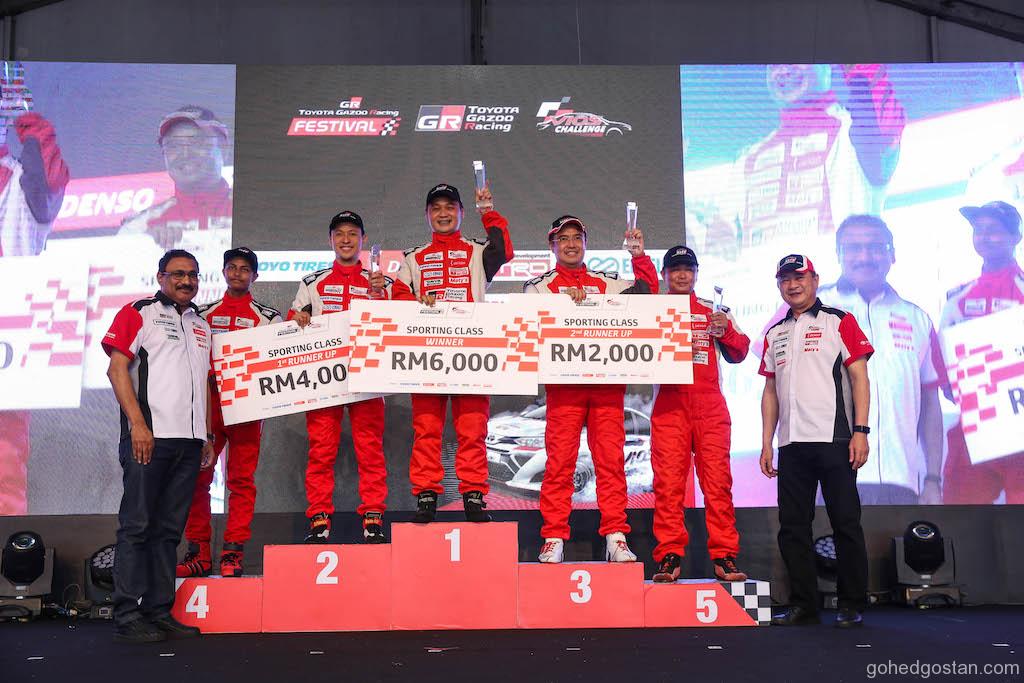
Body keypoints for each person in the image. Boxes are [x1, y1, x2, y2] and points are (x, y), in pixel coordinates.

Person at [523, 215, 657, 563]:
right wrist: (564, 305)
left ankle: (616, 536)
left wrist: (639, 257)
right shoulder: (538, 287)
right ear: (552, 246)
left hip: (606, 388)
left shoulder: (607, 282)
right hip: (564, 389)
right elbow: (527, 325)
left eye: (576, 238)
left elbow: (648, 295)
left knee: (610, 463)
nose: (570, 244)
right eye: (563, 239)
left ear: (585, 242)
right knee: (559, 464)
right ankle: (553, 537)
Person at [102, 249, 215, 643]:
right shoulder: (139, 312)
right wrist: (137, 425)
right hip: (149, 438)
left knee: (168, 532)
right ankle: (127, 614)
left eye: (193, 275)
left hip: (189, 443)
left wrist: (206, 435)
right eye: (178, 274)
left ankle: (158, 610)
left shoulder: (201, 325)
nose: (186, 281)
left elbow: (202, 383)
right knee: (137, 526)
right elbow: (116, 369)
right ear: (161, 277)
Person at [759, 254, 873, 628]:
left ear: (815, 279)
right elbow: (770, 391)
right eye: (785, 279)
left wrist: (861, 431)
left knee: (845, 523)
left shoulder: (839, 320)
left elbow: (860, 378)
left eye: (799, 277)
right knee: (793, 527)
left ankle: (851, 603)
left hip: (835, 438)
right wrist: (767, 442)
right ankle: (804, 605)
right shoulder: (774, 333)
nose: (792, 285)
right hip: (792, 444)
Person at [394, 183, 513, 523]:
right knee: (426, 429)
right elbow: (398, 296)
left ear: (461, 212)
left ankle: (473, 494)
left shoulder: (478, 252)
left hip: (471, 352)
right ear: (427, 215)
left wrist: (488, 212)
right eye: (436, 208)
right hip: (427, 353)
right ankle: (426, 495)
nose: (443, 213)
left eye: (450, 207)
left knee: (472, 428)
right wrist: (416, 301)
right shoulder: (413, 258)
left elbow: (504, 250)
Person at [702, 64, 905, 258]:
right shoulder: (750, 158)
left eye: (794, 60)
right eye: (774, 65)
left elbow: (883, 129)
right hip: (767, 281)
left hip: (834, 279)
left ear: (825, 67)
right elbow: (720, 228)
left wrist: (860, 71)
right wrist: (720, 237)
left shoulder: (852, 132)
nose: (783, 70)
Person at [289, 211, 400, 543]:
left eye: (353, 233)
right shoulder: (312, 282)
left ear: (363, 239)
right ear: (330, 240)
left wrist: (384, 296)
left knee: (370, 449)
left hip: (369, 375)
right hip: (325, 377)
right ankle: (319, 520)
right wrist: (298, 319)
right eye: (340, 234)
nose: (346, 239)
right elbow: (293, 320)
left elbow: (401, 322)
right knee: (321, 451)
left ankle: (373, 517)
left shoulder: (381, 282)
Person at [818, 215, 945, 504]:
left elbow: (931, 404)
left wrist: (932, 479)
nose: (865, 257)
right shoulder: (810, 310)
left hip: (900, 482)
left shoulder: (917, 319)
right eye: (854, 248)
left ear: (892, 254)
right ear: (838, 254)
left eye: (876, 247)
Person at [176, 247, 281, 578]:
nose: (237, 273)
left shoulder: (269, 317)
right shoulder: (200, 314)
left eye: (244, 269)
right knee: (197, 478)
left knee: (241, 482)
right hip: (208, 410)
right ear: (223, 272)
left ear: (255, 276)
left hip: (247, 410)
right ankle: (199, 553)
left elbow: (282, 358)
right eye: (232, 267)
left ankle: (233, 553)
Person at [650, 245, 749, 583]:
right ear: (664, 274)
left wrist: (726, 330)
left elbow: (741, 352)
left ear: (696, 274)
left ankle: (724, 556)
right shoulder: (652, 311)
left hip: (709, 407)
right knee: (668, 485)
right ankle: (669, 556)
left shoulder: (714, 310)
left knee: (718, 484)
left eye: (688, 269)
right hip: (669, 405)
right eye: (675, 269)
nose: (682, 275)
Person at [0, 71, 70, 514]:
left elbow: (50, 176)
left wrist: (27, 119)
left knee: (4, 468)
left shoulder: (22, 181)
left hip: (7, 347)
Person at [939, 201, 1024, 504]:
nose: (985, 237)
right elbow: (943, 362)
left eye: (995, 230)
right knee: (962, 517)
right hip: (974, 426)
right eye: (979, 230)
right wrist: (958, 389)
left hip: (1020, 427)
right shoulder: (958, 298)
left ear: (1016, 237)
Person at [118, 105, 231, 249]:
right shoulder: (138, 227)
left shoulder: (253, 212)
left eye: (197, 142)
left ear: (224, 149)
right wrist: (145, 245)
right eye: (173, 146)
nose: (185, 154)